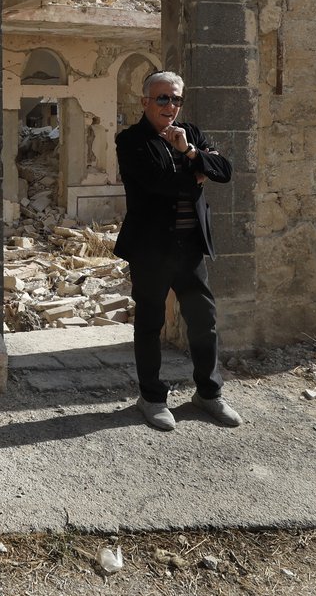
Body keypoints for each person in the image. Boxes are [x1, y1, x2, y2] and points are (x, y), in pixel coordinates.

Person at [113, 70, 241, 431]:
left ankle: (209, 393)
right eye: (162, 98)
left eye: (176, 99)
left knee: (204, 320)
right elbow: (158, 185)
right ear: (145, 102)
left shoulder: (192, 134)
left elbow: (226, 171)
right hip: (151, 248)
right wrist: (197, 172)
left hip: (191, 247)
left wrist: (188, 151)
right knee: (150, 323)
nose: (170, 106)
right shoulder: (131, 141)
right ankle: (152, 398)